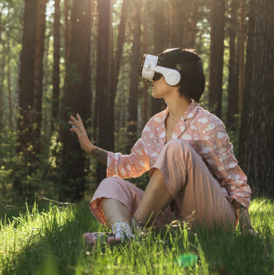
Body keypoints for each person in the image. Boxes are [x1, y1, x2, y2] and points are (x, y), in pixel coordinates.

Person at [69, 48, 256, 244]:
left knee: (176, 149)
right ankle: (122, 233)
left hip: (213, 216)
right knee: (111, 183)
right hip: (175, 218)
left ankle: (133, 231)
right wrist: (90, 148)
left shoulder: (208, 124)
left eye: (157, 74)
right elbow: (130, 164)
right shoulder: (154, 125)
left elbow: (234, 182)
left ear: (174, 77)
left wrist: (247, 228)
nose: (151, 80)